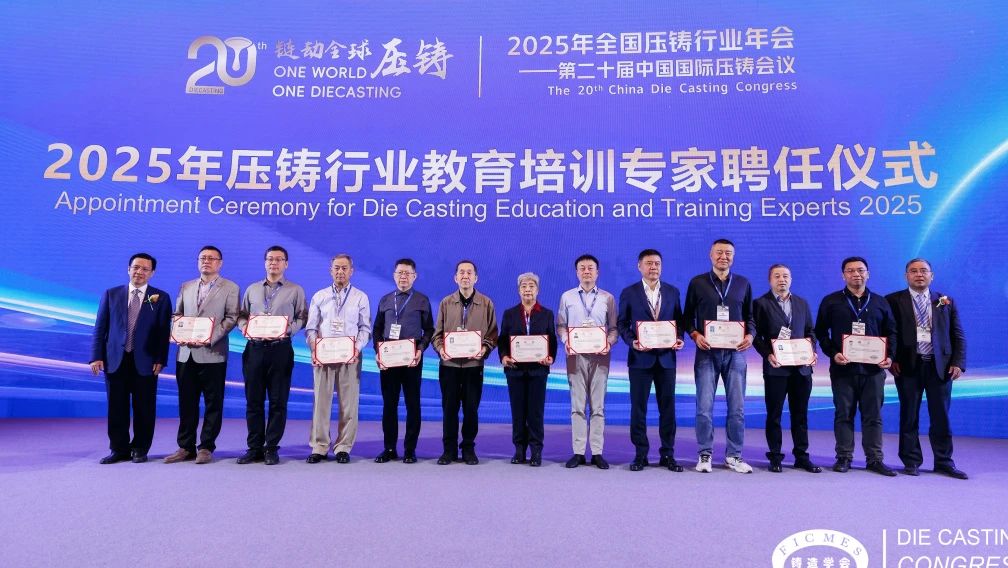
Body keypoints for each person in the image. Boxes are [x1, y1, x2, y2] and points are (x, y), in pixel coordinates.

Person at [814, 256, 898, 476]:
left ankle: (875, 459)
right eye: (850, 271)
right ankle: (844, 457)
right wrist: (833, 353)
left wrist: (889, 356)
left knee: (873, 416)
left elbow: (892, 332)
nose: (856, 274)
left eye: (860, 270)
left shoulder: (880, 302)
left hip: (873, 371)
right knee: (844, 414)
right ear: (843, 275)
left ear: (868, 274)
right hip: (843, 369)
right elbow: (820, 332)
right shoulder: (831, 301)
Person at [886, 259, 968, 479]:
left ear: (932, 275)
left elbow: (957, 334)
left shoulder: (945, 301)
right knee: (909, 415)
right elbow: (888, 333)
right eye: (913, 271)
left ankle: (944, 461)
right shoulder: (893, 300)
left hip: (940, 367)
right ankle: (911, 461)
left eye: (924, 271)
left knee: (941, 417)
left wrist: (958, 362)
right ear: (906, 276)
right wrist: (891, 358)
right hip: (907, 366)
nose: (919, 274)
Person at [90, 253, 172, 464]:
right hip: (115, 359)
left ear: (152, 273)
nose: (139, 272)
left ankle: (140, 448)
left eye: (145, 269)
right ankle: (119, 449)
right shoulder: (111, 294)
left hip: (146, 361)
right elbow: (100, 328)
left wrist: (160, 359)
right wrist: (96, 356)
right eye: (136, 267)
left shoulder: (161, 298)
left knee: (144, 407)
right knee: (116, 407)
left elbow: (163, 332)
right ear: (128, 269)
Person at [683, 239, 756, 474]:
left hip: (736, 354)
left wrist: (751, 336)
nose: (723, 256)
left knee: (737, 408)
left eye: (728, 253)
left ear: (733, 257)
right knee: (704, 407)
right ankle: (705, 454)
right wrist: (695, 335)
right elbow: (687, 318)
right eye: (719, 252)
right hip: (707, 352)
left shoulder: (743, 283)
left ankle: (734, 456)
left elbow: (751, 318)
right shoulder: (697, 283)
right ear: (710, 255)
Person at [165, 246, 239, 465]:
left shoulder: (231, 287)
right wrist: (178, 332)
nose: (206, 261)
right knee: (186, 402)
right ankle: (185, 446)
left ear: (220, 263)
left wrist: (209, 337)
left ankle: (206, 447)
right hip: (185, 353)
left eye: (211, 258)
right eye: (202, 258)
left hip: (213, 352)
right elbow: (177, 314)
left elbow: (231, 317)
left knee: (213, 402)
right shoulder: (186, 286)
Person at [236, 245, 307, 466]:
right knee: (253, 401)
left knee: (278, 401)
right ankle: (254, 448)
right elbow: (241, 315)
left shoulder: (295, 290)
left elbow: (302, 317)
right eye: (270, 259)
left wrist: (289, 330)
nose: (273, 263)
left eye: (278, 259)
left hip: (280, 349)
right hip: (255, 348)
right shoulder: (252, 289)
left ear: (286, 264)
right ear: (265, 262)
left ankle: (271, 448)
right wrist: (244, 328)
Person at [617, 249, 685, 472]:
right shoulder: (629, 292)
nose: (653, 267)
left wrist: (679, 338)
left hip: (666, 360)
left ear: (661, 267)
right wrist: (632, 341)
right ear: (639, 266)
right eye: (648, 263)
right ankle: (640, 454)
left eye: (657, 263)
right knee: (639, 408)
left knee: (668, 408)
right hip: (640, 359)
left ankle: (668, 454)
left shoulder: (673, 291)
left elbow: (679, 321)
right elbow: (622, 324)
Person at [752, 264, 821, 473]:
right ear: (770, 280)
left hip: (801, 369)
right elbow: (756, 336)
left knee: (800, 414)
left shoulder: (801, 303)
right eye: (777, 276)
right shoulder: (760, 303)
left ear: (790, 279)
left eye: (785, 276)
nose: (782, 279)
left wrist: (812, 351)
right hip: (776, 368)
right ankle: (775, 456)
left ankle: (801, 456)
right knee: (774, 414)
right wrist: (768, 354)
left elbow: (810, 331)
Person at [305, 254, 371, 464]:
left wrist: (356, 349)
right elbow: (311, 328)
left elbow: (365, 328)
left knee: (349, 404)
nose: (340, 272)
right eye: (337, 268)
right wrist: (315, 349)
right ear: (330, 270)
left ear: (352, 271)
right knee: (321, 403)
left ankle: (343, 447)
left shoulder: (360, 297)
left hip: (350, 358)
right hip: (323, 357)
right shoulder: (320, 296)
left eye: (344, 268)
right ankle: (319, 446)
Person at [431, 260, 498, 465]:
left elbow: (493, 334)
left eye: (469, 273)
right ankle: (449, 450)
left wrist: (484, 349)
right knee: (449, 409)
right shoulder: (446, 303)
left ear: (476, 278)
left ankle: (468, 448)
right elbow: (437, 335)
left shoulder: (486, 303)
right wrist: (441, 349)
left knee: (471, 409)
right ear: (455, 278)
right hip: (449, 366)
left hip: (473, 366)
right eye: (461, 272)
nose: (465, 276)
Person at [556, 254, 618, 469]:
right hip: (575, 356)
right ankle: (579, 452)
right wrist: (566, 340)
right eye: (582, 268)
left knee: (598, 407)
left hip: (600, 357)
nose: (586, 271)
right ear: (577, 272)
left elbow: (614, 328)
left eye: (590, 268)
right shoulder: (567, 297)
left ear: (597, 272)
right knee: (578, 406)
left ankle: (598, 452)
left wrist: (609, 342)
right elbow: (561, 325)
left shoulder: (608, 298)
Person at [372, 258, 434, 464]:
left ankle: (410, 449)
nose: (403, 277)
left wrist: (420, 349)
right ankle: (389, 448)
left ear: (414, 276)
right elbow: (377, 329)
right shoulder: (385, 300)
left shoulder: (422, 300)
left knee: (412, 404)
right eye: (400, 273)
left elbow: (429, 330)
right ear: (394, 275)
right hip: (389, 358)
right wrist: (378, 351)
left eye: (407, 273)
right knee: (389, 404)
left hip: (411, 359)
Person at [498, 272, 558, 467]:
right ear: (518, 290)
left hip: (538, 371)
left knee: (535, 412)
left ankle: (536, 450)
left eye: (531, 286)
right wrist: (504, 357)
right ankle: (519, 450)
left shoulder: (547, 314)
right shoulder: (509, 314)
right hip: (515, 370)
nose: (527, 290)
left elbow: (552, 340)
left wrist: (551, 357)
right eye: (523, 286)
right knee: (518, 412)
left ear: (537, 290)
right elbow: (503, 339)